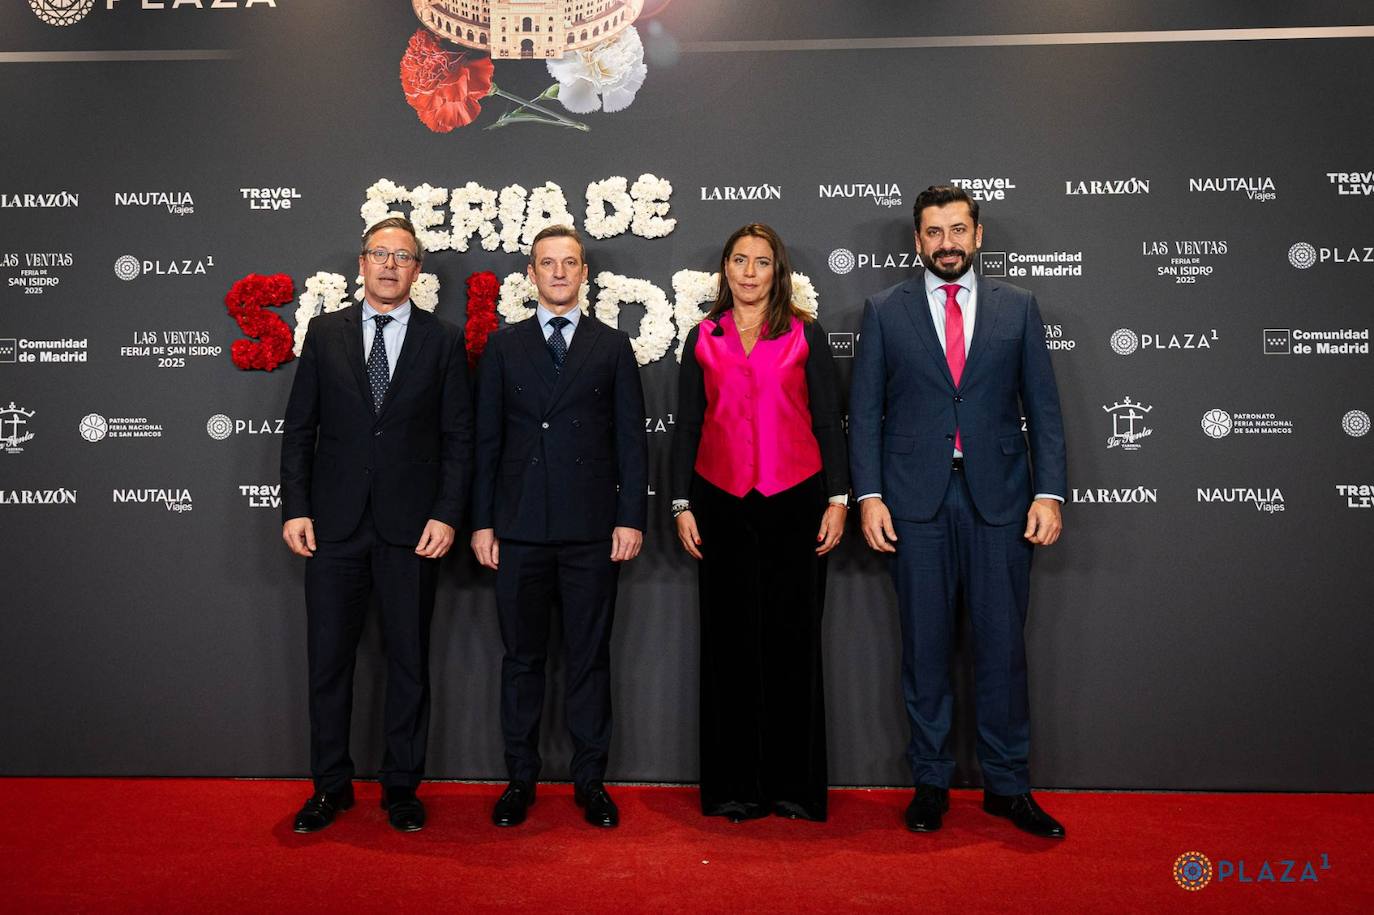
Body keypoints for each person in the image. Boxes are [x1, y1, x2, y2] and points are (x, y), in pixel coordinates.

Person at [849, 185, 1068, 838]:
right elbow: (863, 413)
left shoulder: (1019, 308)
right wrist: (868, 496)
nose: (946, 242)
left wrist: (1049, 492)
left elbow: (1045, 408)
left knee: (1002, 651)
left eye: (957, 229)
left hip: (1001, 501)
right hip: (914, 504)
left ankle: (1007, 785)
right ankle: (931, 782)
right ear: (918, 241)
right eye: (934, 231)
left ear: (979, 235)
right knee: (925, 650)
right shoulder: (884, 310)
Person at [280, 216, 473, 833]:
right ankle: (329, 788)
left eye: (403, 257)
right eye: (379, 254)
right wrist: (297, 507)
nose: (390, 265)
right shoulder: (324, 333)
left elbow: (458, 439)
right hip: (333, 528)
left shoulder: (442, 341)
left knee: (408, 662)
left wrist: (447, 513)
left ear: (417, 270)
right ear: (361, 264)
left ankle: (401, 789)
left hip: (411, 529)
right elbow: (299, 429)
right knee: (329, 663)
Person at [470, 224, 647, 829]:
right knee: (521, 660)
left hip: (591, 530)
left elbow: (631, 443)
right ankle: (519, 779)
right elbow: (485, 442)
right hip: (518, 529)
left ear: (584, 272)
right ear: (531, 273)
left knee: (589, 659)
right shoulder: (502, 347)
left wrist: (630, 518)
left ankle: (590, 781)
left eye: (570, 263)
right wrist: (482, 524)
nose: (560, 273)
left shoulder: (611, 346)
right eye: (548, 263)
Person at [671, 223, 849, 822]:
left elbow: (828, 419)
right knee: (729, 648)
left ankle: (793, 787)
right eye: (739, 260)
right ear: (725, 268)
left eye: (762, 262)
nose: (749, 272)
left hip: (796, 502)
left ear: (779, 271)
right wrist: (681, 504)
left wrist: (839, 499)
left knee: (792, 644)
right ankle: (734, 788)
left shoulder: (805, 335)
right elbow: (687, 426)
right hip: (720, 503)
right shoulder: (704, 337)